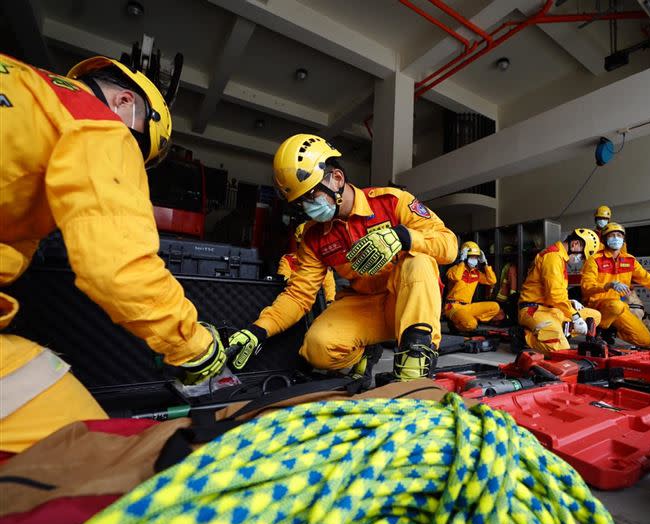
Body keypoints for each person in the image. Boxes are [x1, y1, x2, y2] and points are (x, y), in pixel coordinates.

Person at [0, 55, 224, 453]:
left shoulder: (27, 88)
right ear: (124, 104)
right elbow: (120, 268)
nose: (131, 160)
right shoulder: (97, 123)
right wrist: (194, 346)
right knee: (92, 451)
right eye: (139, 149)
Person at [227, 134, 457, 381]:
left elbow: (449, 245)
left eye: (311, 195)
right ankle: (364, 353)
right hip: (365, 306)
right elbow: (299, 294)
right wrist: (259, 330)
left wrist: (404, 237)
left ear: (336, 178)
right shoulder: (313, 237)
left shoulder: (391, 202)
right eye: (300, 201)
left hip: (410, 302)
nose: (307, 207)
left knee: (419, 261)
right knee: (317, 349)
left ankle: (415, 358)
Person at [581, 223, 650, 347]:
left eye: (619, 235)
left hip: (619, 308)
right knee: (616, 305)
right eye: (612, 235)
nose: (616, 238)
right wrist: (607, 285)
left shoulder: (629, 260)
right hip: (598, 306)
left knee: (646, 341)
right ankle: (597, 332)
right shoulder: (594, 260)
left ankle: (613, 330)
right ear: (604, 239)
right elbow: (586, 287)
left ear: (623, 239)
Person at [516, 229, 602, 352]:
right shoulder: (553, 257)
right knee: (561, 350)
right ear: (575, 244)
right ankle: (524, 337)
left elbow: (555, 291)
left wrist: (569, 302)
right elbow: (554, 295)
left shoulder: (560, 258)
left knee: (594, 317)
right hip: (534, 309)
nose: (581, 259)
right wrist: (575, 316)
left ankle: (557, 332)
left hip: (551, 308)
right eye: (582, 255)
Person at [443, 241, 503, 333]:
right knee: (471, 325)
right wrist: (461, 261)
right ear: (465, 256)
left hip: (468, 307)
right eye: (471, 256)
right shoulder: (453, 270)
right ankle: (457, 324)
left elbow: (492, 280)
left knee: (495, 307)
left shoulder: (476, 273)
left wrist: (485, 264)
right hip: (453, 306)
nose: (474, 259)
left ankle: (469, 320)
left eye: (476, 257)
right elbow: (456, 277)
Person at [278, 222, 336, 305]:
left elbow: (328, 283)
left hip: (317, 302)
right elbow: (284, 279)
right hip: (296, 298)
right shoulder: (288, 259)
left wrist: (330, 301)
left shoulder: (322, 262)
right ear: (299, 244)